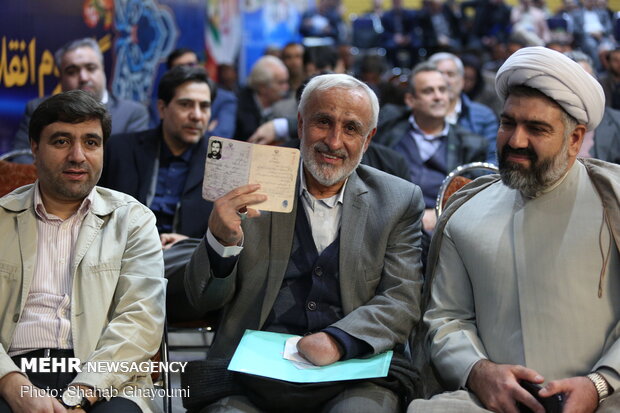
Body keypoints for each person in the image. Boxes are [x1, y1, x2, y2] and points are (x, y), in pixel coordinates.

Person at [184, 73, 425, 412]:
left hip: (353, 373)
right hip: (248, 374)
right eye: (323, 122)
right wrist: (221, 242)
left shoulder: (398, 200)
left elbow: (402, 298)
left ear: (368, 139)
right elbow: (201, 300)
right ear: (300, 124)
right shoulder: (249, 187)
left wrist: (339, 341)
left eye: (351, 129)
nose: (334, 141)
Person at [410, 46, 620, 413]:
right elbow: (445, 318)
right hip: (491, 404)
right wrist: (478, 371)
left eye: (536, 128)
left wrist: (600, 383)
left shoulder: (613, 202)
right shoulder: (466, 212)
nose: (516, 141)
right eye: (508, 123)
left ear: (575, 139)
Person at [0, 90, 165, 413]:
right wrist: (10, 382)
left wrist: (82, 392)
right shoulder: (3, 218)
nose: (78, 155)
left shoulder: (133, 220)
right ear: (34, 148)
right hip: (13, 369)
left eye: (91, 142)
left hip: (107, 377)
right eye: (61, 141)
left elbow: (141, 320)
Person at [374, 62, 488, 232]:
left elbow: (473, 199)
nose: (438, 97)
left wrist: (439, 214)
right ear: (410, 100)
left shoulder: (471, 145)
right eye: (428, 91)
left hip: (443, 228)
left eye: (442, 90)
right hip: (390, 224)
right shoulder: (388, 131)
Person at [12, 38, 149, 162]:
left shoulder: (132, 113)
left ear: (103, 70)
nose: (83, 77)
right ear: (61, 77)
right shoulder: (39, 109)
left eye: (91, 68)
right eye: (72, 71)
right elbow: (20, 157)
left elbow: (131, 165)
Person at [428, 52, 499, 163]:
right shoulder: (416, 114)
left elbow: (492, 161)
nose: (445, 81)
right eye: (439, 74)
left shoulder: (484, 116)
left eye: (451, 74)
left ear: (462, 81)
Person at [167, 47, 237, 139]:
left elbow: (220, 139)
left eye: (191, 65)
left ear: (200, 66)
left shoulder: (225, 99)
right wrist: (206, 132)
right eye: (180, 67)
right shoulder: (164, 99)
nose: (187, 70)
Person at [234, 56, 291, 141]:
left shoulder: (289, 102)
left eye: (286, 81)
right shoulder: (238, 106)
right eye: (281, 83)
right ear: (262, 87)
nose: (287, 87)